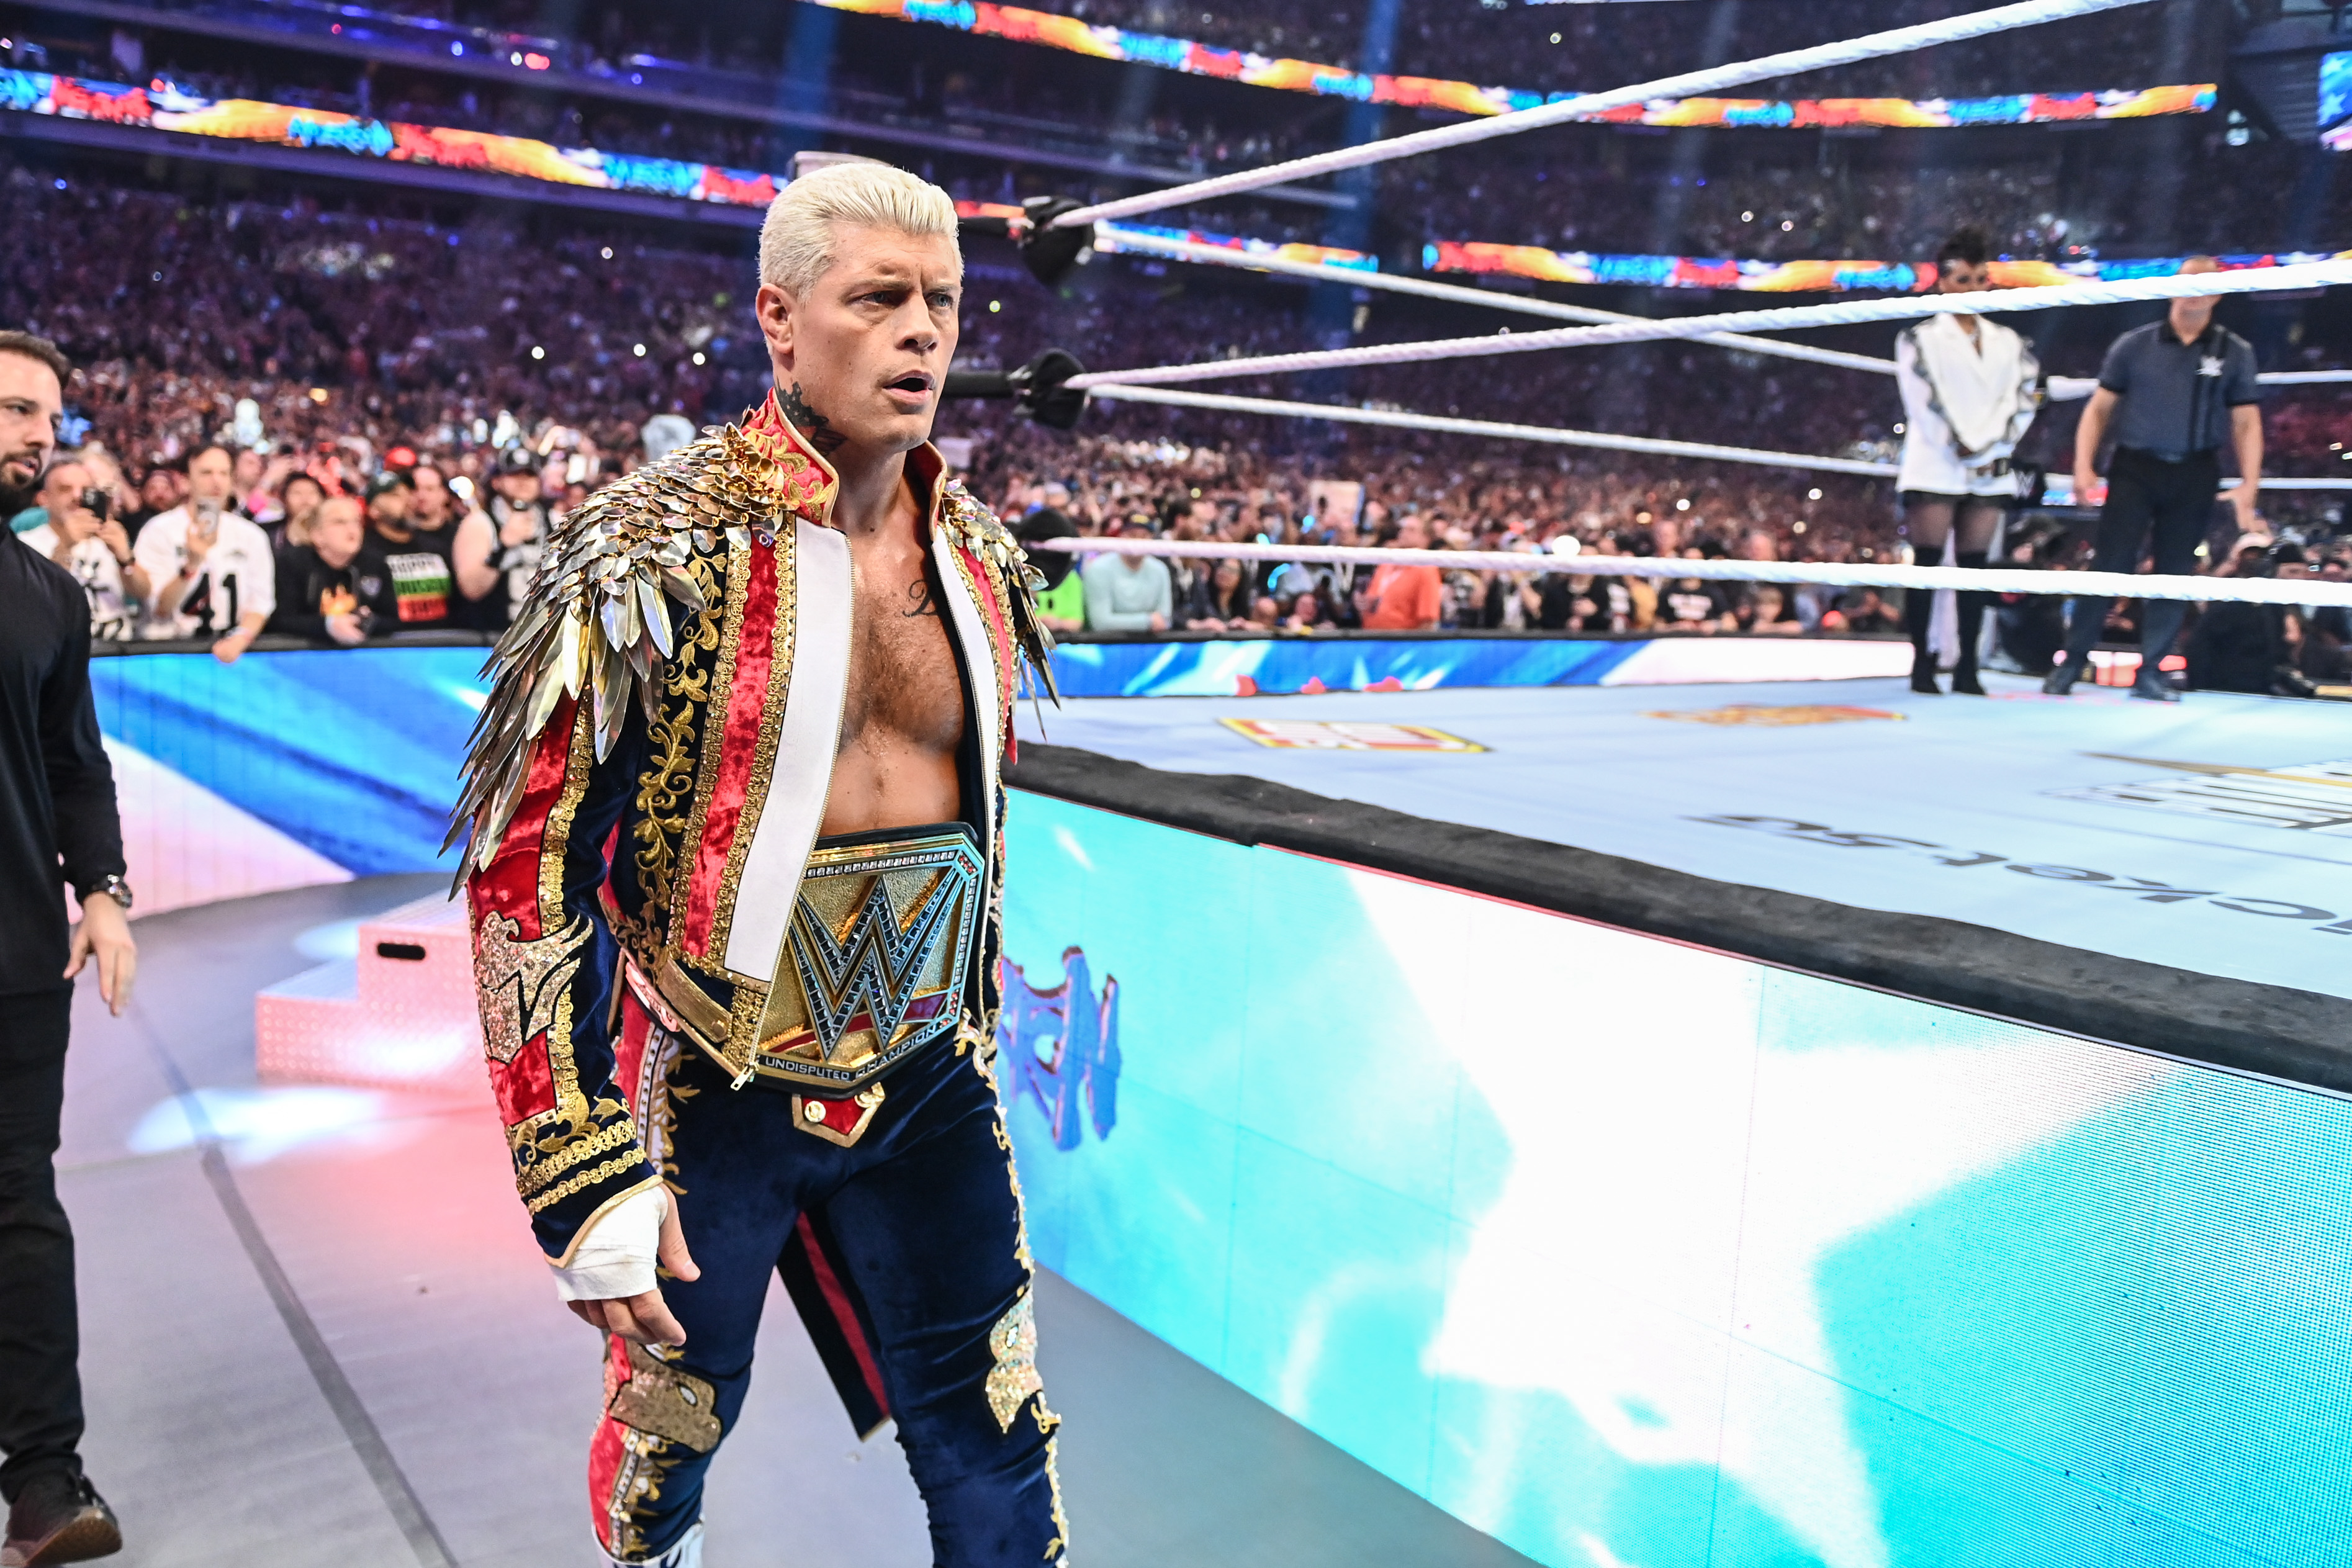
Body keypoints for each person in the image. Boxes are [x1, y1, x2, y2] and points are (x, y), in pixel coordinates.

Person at [449, 163, 1067, 1568]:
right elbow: (525, 867)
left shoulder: (979, 554)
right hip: (710, 1079)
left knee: (995, 1426)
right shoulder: (647, 545)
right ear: (781, 322)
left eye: (944, 302)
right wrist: (580, 1165)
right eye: (880, 298)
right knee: (671, 1424)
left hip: (923, 1072)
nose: (923, 332)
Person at [0, 330, 135, 1568]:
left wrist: (101, 893)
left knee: (19, 1215)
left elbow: (75, 769)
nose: (34, 434)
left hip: (11, 962)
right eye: (9, 409)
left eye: (45, 416)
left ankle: (43, 1479)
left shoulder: (49, 596)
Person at [2046, 256, 2264, 701]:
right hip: (2135, 466)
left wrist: (2249, 485)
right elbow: (2098, 409)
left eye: (2205, 284)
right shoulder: (2134, 345)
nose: (2194, 291)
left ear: (2218, 295)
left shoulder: (2233, 351)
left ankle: (2150, 673)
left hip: (2195, 469)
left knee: (2174, 571)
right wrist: (2082, 467)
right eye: (2187, 282)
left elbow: (2246, 422)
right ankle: (2070, 664)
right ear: (2171, 287)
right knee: (2109, 565)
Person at [1893, 227, 2042, 695]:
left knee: (1975, 568)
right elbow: (1921, 401)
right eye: (1961, 280)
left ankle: (1966, 669)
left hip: (1991, 464)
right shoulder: (1918, 338)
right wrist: (1965, 447)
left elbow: (2025, 397)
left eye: (1979, 279)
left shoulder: (2009, 342)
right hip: (1937, 460)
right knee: (1929, 562)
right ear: (1942, 283)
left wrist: (1993, 448)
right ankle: (1922, 662)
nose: (1972, 289)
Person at [130, 443, 275, 662]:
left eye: (224, 474)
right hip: (167, 654)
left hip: (229, 652)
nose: (216, 481)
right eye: (206, 473)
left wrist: (240, 639)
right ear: (186, 481)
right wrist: (191, 566)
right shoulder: (159, 530)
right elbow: (159, 609)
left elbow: (261, 602)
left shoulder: (252, 536)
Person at [20, 458, 148, 642]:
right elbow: (33, 603)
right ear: (44, 499)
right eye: (65, 489)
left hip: (117, 652)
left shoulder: (108, 539)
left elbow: (143, 594)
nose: (78, 496)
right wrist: (65, 546)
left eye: (86, 489)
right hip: (61, 651)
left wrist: (125, 558)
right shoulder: (27, 543)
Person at [268, 495, 397, 644]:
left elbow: (393, 619)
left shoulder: (375, 563)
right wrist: (327, 626)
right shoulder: (291, 563)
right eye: (339, 522)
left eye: (356, 521)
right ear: (318, 536)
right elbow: (280, 620)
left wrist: (368, 622)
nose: (352, 529)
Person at [451, 447, 551, 633]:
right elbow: (472, 590)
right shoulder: (479, 524)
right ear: (497, 482)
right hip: (494, 639)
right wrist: (503, 546)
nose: (523, 482)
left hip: (543, 635)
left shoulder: (554, 521)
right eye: (514, 475)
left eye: (529, 475)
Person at [361, 469, 456, 629]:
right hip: (393, 646)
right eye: (396, 496)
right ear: (374, 510)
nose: (408, 500)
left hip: (443, 644)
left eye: (408, 493)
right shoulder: (364, 552)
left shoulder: (437, 547)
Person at [1079, 518, 1172, 632]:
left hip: (1150, 645)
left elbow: (1164, 619)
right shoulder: (1099, 569)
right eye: (1132, 535)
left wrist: (1153, 622)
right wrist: (1148, 621)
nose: (1138, 541)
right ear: (1121, 536)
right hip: (1105, 645)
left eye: (1144, 536)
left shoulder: (1160, 570)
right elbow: (1100, 622)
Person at [1355, 515, 1443, 630]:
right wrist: (1362, 604)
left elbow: (1428, 621)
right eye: (1402, 529)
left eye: (1411, 530)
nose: (1404, 533)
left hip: (1401, 642)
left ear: (1425, 538)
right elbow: (1371, 602)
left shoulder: (1426, 569)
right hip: (1371, 636)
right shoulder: (1387, 563)